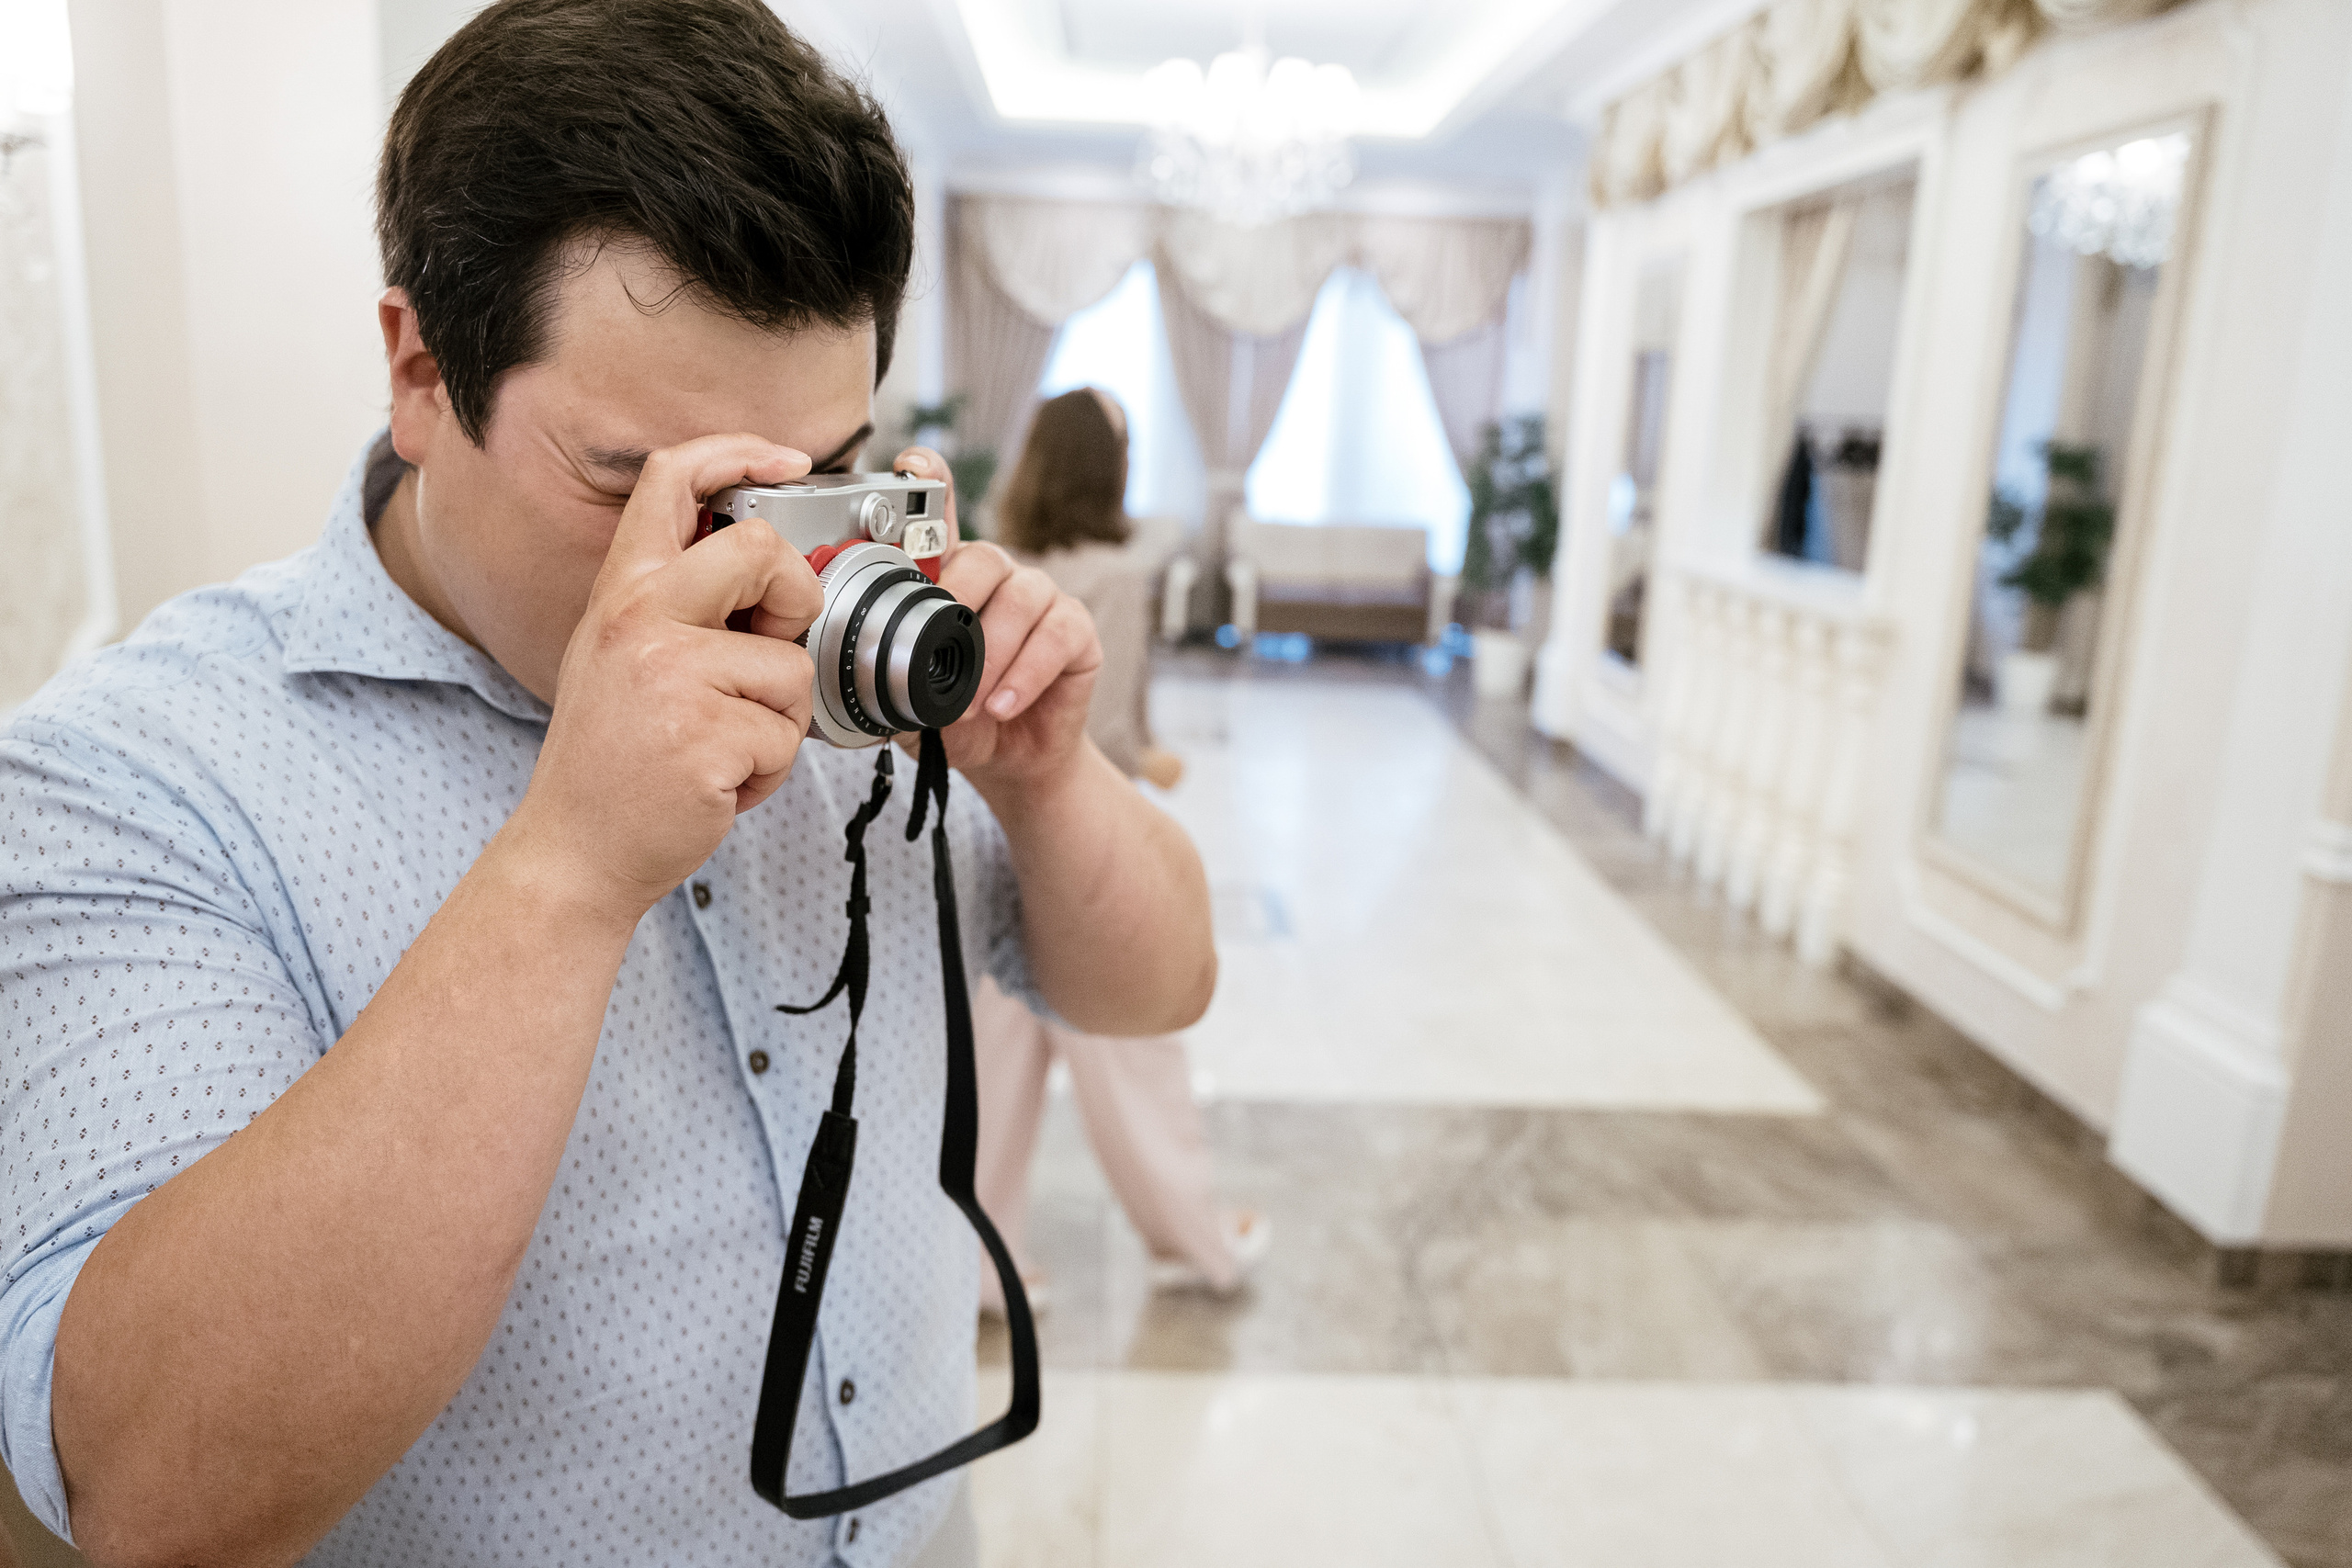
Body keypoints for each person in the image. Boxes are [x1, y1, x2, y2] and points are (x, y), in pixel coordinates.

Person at [0, 6, 1215, 1567]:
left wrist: (1052, 783)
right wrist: (570, 862)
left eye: (815, 470)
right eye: (640, 484)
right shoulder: (123, 780)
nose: (755, 566)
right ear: (423, 369)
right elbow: (158, 1492)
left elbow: (1157, 986)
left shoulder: (852, 618)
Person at [970, 389, 1267, 1309]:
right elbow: (1108, 731)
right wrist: (1156, 762)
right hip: (1079, 841)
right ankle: (1197, 1244)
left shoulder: (991, 564)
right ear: (1111, 468)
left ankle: (977, 1269)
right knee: (1136, 1057)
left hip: (978, 829)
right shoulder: (1117, 578)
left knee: (988, 1074)